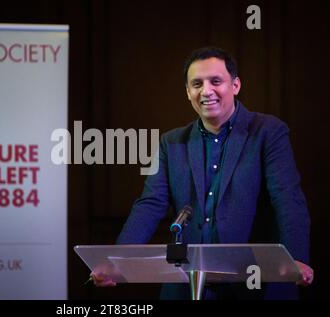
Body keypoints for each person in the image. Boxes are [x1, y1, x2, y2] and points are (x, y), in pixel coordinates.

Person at [91, 47, 313, 299]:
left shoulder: (268, 132)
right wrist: (117, 261)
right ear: (188, 92)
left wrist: (296, 258)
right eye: (196, 84)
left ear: (236, 85)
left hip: (253, 282)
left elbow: (287, 199)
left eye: (215, 81)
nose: (206, 91)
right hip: (187, 281)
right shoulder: (171, 142)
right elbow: (149, 205)